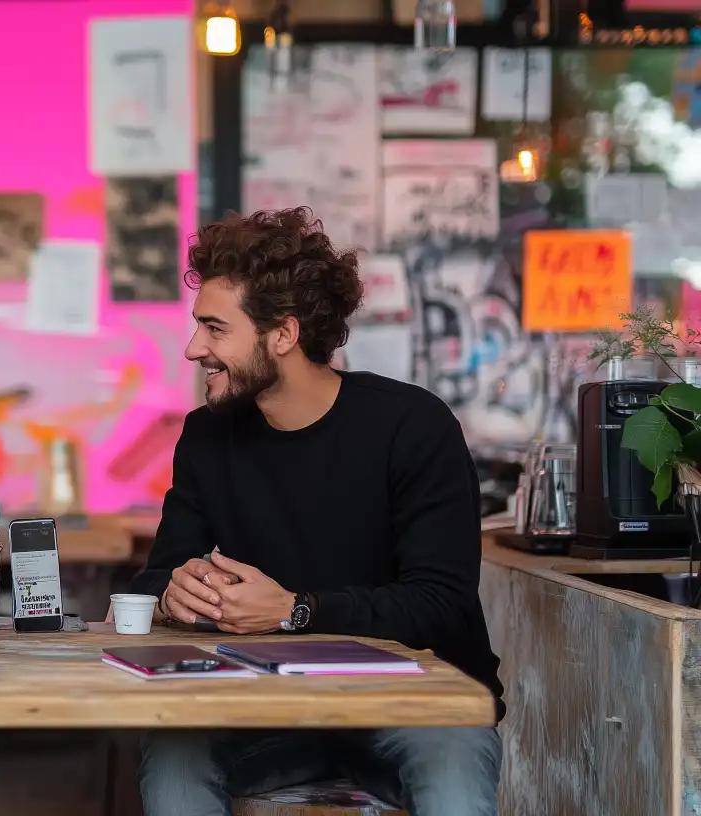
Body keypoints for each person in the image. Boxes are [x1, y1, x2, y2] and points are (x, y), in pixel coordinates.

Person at [130, 208, 503, 816]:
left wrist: (293, 611)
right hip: (261, 714)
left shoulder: (413, 427)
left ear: (283, 334)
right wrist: (176, 593)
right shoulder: (207, 436)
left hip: (412, 711)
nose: (194, 348)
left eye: (215, 329)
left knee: (456, 781)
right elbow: (153, 580)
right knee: (174, 756)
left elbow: (442, 603)